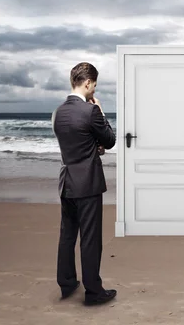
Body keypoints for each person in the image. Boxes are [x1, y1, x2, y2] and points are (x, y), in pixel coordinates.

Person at [51, 62, 117, 305]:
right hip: (87, 183)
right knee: (90, 238)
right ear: (88, 83)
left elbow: (74, 141)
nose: (94, 90)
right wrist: (100, 110)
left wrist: (92, 146)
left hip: (66, 180)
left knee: (67, 235)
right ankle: (93, 292)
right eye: (95, 86)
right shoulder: (90, 111)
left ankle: (67, 283)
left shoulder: (58, 112)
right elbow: (109, 141)